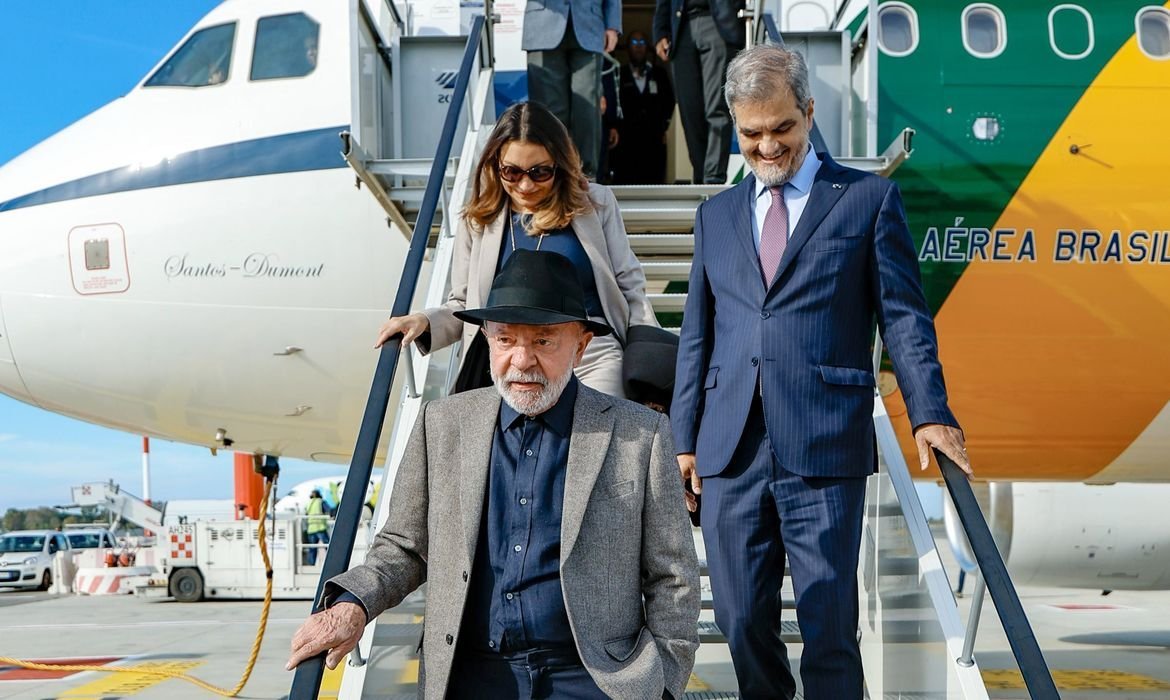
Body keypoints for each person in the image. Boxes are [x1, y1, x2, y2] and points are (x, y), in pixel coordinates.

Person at [671, 45, 973, 699]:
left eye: (783, 128)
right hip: (731, 448)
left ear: (809, 112)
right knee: (739, 617)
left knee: (830, 625)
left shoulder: (867, 201)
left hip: (823, 445)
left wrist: (929, 412)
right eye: (752, 135)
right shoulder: (715, 217)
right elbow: (698, 334)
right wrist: (684, 438)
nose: (769, 146)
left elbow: (904, 319)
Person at [288, 250, 700, 699]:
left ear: (580, 346)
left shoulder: (640, 433)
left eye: (543, 341)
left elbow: (673, 575)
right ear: (487, 338)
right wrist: (353, 605)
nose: (521, 361)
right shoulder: (441, 424)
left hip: (593, 677)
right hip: (474, 675)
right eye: (505, 340)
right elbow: (404, 547)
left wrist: (666, 683)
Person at [375, 101, 658, 399]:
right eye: (511, 172)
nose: (525, 185)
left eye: (539, 172)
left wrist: (650, 363)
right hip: (510, 359)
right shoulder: (479, 218)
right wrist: (424, 321)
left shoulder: (594, 204)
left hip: (589, 354)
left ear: (559, 165)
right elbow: (463, 301)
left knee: (599, 440)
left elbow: (630, 287)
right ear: (495, 165)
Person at [522, 0, 622, 179]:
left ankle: (586, 179)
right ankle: (548, 175)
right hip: (543, 21)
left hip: (590, 23)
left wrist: (613, 25)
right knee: (548, 112)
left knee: (587, 111)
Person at [652, 0, 744, 184]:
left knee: (716, 107)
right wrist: (661, 30)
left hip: (717, 23)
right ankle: (701, 175)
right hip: (682, 27)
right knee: (689, 110)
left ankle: (713, 178)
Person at [613, 31, 675, 185]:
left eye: (642, 44)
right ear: (627, 48)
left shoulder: (658, 73)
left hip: (653, 138)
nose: (638, 48)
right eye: (634, 43)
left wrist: (665, 128)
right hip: (626, 139)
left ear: (647, 48)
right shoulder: (620, 73)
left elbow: (669, 102)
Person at [304, 490, 329, 566]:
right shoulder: (320, 502)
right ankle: (333, 561)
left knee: (312, 548)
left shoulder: (308, 503)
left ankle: (311, 564)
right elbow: (328, 510)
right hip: (320, 527)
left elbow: (306, 513)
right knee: (328, 546)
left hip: (311, 528)